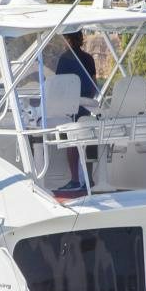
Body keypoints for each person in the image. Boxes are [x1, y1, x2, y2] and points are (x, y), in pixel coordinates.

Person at [55, 31, 98, 195]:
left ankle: (74, 179)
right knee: (88, 138)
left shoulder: (64, 59)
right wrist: (86, 100)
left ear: (68, 39)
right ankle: (89, 179)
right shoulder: (89, 58)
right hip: (87, 106)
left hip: (70, 106)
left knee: (71, 139)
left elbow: (59, 86)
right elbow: (93, 85)